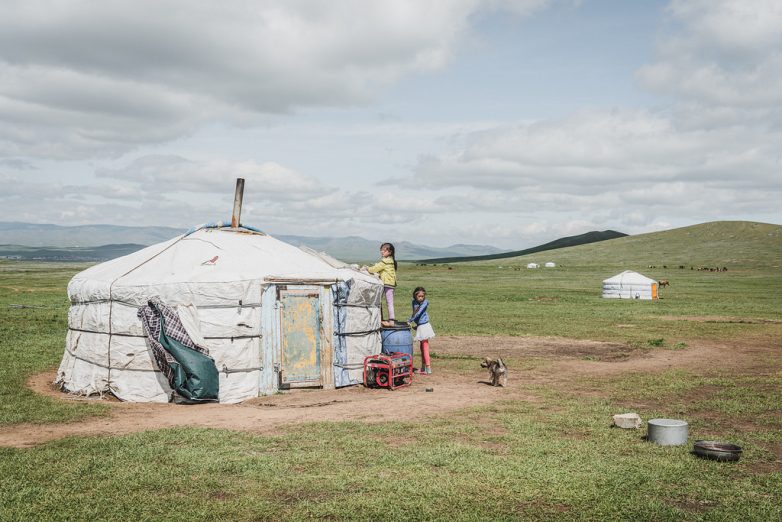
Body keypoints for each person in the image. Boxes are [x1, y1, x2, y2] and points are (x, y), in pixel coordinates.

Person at [365, 242, 397, 324]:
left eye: (384, 250)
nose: (382, 252)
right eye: (381, 250)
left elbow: (375, 269)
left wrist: (367, 269)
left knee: (387, 302)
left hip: (387, 284)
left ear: (389, 252)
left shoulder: (385, 261)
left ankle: (391, 320)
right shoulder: (390, 261)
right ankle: (383, 318)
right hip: (390, 284)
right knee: (385, 301)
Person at [409, 286, 435, 375]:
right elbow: (415, 313)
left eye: (422, 296)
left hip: (425, 326)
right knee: (422, 348)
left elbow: (419, 312)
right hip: (421, 326)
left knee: (425, 347)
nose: (421, 298)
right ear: (415, 296)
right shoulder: (414, 302)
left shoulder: (425, 302)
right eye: (419, 296)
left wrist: (410, 320)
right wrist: (417, 325)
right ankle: (423, 368)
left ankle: (428, 368)